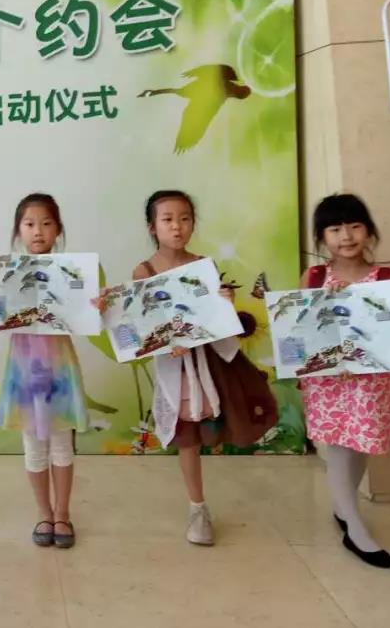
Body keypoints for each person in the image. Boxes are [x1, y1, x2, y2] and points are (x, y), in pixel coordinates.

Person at [119, 189, 275, 546]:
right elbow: (143, 322)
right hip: (175, 368)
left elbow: (215, 319)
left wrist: (225, 302)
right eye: (168, 219)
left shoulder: (204, 265)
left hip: (210, 363)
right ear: (152, 227)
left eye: (185, 218)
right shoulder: (144, 271)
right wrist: (165, 342)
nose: (177, 227)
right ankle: (197, 507)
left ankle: (199, 505)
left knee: (211, 423)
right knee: (186, 436)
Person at [0, 194, 90, 549]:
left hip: (58, 369)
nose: (38, 231)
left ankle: (63, 514)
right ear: (19, 231)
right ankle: (44, 513)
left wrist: (93, 303)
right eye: (29, 224)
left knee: (62, 445)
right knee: (33, 447)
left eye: (46, 223)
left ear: (58, 229)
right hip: (25, 370)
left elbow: (83, 315)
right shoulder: (8, 272)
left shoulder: (72, 272)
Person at [300, 193, 390, 568]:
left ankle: (343, 507)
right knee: (339, 445)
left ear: (368, 231)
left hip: (372, 378)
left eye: (355, 226)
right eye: (335, 229)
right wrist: (323, 302)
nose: (346, 236)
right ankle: (354, 528)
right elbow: (301, 327)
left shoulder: (385, 278)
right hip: (329, 380)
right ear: (322, 237)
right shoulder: (315, 277)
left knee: (362, 443)